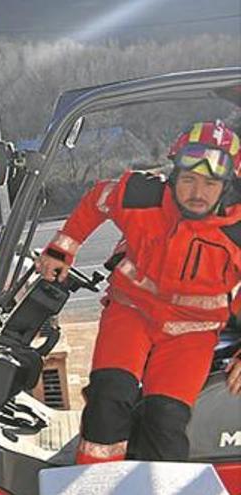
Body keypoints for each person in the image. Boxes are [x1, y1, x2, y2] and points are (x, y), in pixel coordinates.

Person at [37, 120, 241, 463]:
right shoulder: (141, 196)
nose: (197, 192)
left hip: (192, 333)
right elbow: (99, 199)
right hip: (132, 312)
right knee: (109, 396)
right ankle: (94, 481)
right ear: (174, 176)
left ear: (228, 189)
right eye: (189, 179)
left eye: (210, 183)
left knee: (166, 419)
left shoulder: (235, 233)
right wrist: (62, 248)